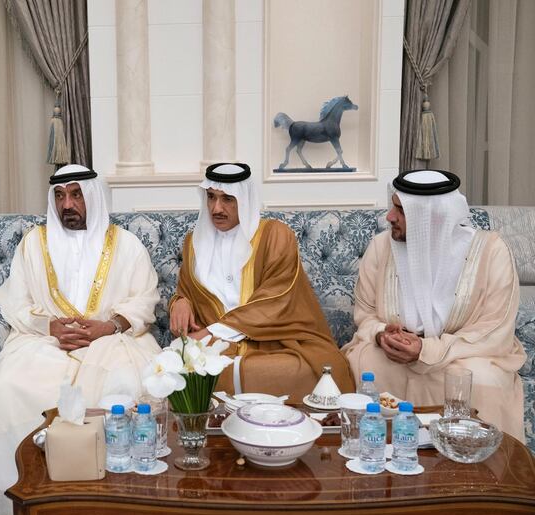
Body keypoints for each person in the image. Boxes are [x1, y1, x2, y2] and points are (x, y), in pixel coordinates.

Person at [0, 164, 162, 515]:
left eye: (76, 194)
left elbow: (145, 300)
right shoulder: (33, 243)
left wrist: (108, 326)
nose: (67, 204)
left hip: (112, 341)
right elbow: (14, 301)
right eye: (60, 196)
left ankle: (119, 508)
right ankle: (30, 504)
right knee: (6, 388)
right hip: (45, 342)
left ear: (91, 196)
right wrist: (49, 326)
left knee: (129, 385)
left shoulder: (126, 244)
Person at [342, 170, 525, 441]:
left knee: (483, 379)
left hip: (461, 354)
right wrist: (382, 335)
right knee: (362, 363)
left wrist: (426, 350)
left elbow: (494, 329)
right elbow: (365, 313)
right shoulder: (381, 247)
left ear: (432, 218)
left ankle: (481, 472)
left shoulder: (491, 251)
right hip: (393, 356)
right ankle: (377, 457)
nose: (389, 217)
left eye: (400, 210)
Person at [169, 163, 354, 401]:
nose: (217, 208)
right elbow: (187, 289)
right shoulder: (194, 243)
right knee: (173, 366)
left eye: (228, 199)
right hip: (212, 345)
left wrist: (210, 332)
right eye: (211, 197)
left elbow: (274, 302)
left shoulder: (276, 235)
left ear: (244, 200)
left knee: (319, 368)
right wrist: (180, 301)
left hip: (275, 339)